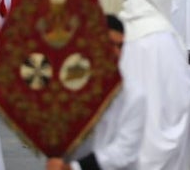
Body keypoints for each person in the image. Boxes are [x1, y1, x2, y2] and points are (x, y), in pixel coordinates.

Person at [46, 16, 144, 170]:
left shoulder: (134, 94)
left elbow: (125, 151)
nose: (116, 52)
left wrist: (75, 168)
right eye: (110, 44)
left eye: (120, 46)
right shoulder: (73, 86)